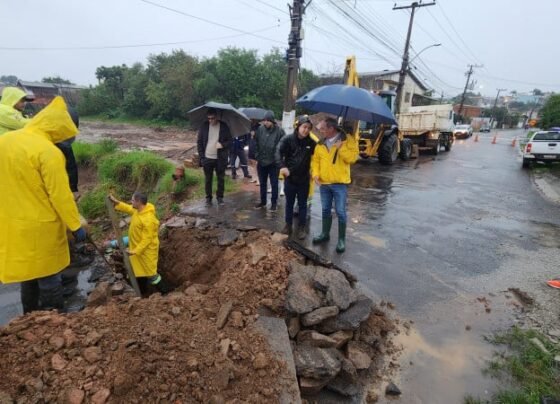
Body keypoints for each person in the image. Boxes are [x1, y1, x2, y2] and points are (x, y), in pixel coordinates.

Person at [0, 96, 87, 313]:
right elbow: (60, 196)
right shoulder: (48, 153)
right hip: (41, 227)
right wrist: (76, 226)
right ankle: (54, 320)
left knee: (28, 276)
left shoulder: (6, 141)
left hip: (12, 223)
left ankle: (29, 317)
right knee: (49, 276)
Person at [108, 192, 171, 294]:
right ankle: (143, 293)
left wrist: (135, 251)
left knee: (152, 275)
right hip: (138, 250)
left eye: (132, 200)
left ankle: (166, 292)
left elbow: (147, 239)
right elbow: (129, 208)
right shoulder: (140, 210)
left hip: (146, 252)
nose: (131, 202)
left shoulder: (148, 219)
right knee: (139, 272)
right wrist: (117, 203)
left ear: (138, 202)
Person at [311, 118, 359, 253]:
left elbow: (353, 158)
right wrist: (315, 174)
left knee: (340, 212)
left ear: (331, 129)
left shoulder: (347, 139)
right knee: (326, 210)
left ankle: (341, 240)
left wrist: (341, 148)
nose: (320, 132)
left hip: (339, 184)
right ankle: (325, 234)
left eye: (322, 129)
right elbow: (315, 161)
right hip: (324, 184)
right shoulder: (321, 143)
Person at [276, 115, 317, 239]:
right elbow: (277, 152)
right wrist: (282, 166)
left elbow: (320, 157)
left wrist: (315, 172)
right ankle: (288, 225)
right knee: (289, 203)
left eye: (309, 128)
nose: (306, 130)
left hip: (304, 179)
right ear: (298, 126)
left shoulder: (312, 143)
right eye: (304, 127)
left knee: (303, 204)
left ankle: (301, 227)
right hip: (290, 178)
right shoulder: (287, 139)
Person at [197, 108, 232, 206]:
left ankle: (220, 198)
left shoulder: (224, 126)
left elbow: (230, 141)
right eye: (209, 118)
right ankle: (208, 198)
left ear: (216, 117)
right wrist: (202, 157)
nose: (210, 120)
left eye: (212, 118)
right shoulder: (204, 126)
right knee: (208, 180)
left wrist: (222, 145)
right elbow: (199, 142)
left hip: (220, 158)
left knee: (220, 179)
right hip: (207, 157)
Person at [255, 110, 285, 210]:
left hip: (274, 163)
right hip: (261, 161)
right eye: (264, 120)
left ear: (272, 121)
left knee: (274, 183)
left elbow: (283, 146)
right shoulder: (260, 129)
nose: (265, 122)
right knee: (262, 183)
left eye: (268, 120)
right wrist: (257, 155)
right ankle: (263, 201)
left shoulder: (280, 131)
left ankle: (273, 203)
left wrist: (279, 159)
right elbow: (255, 142)